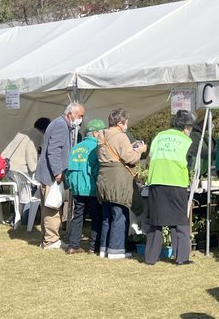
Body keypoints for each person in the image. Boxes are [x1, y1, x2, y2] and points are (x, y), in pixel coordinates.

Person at [143, 110, 197, 266]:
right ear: (186, 127)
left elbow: (149, 158)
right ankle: (181, 257)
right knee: (179, 221)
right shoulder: (186, 140)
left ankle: (150, 258)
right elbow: (190, 162)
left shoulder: (159, 136)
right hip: (176, 181)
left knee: (155, 221)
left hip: (156, 180)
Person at [95, 108, 142, 260]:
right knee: (120, 214)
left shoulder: (101, 135)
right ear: (120, 123)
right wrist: (140, 151)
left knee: (107, 215)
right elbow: (130, 158)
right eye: (126, 122)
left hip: (104, 178)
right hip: (118, 179)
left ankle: (104, 248)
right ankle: (116, 250)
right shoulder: (121, 136)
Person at [36, 102, 84, 250]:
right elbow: (54, 150)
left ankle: (48, 238)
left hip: (49, 172)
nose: (81, 119)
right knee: (52, 206)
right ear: (70, 114)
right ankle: (51, 240)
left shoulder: (60, 123)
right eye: (80, 116)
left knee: (50, 206)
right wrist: (57, 171)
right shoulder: (61, 125)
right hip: (51, 174)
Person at [65, 119, 105, 255]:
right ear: (95, 133)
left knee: (78, 216)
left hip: (77, 188)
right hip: (91, 187)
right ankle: (94, 247)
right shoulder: (96, 147)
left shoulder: (76, 147)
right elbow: (96, 169)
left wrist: (71, 184)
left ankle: (73, 245)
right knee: (96, 217)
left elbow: (69, 169)